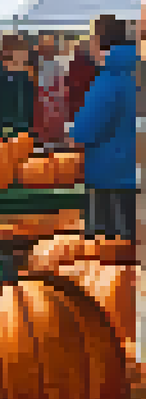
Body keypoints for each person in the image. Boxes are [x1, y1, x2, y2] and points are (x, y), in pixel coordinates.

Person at [71, 15, 136, 241]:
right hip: (134, 173)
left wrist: (72, 134)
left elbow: (85, 130)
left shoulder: (110, 78)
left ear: (99, 41)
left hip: (110, 175)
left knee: (110, 251)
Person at [0, 34, 35, 139]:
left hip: (23, 127)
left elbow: (29, 101)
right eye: (23, 51)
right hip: (1, 128)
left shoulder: (26, 73)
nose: (26, 55)